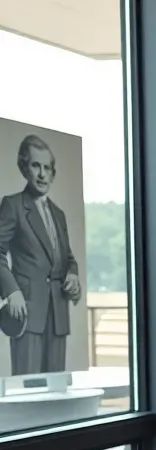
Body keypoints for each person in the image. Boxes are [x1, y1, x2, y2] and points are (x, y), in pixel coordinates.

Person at [0, 133, 82, 374]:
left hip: (58, 316)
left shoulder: (59, 214)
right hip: (27, 313)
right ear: (25, 168)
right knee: (28, 392)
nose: (42, 174)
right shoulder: (12, 205)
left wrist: (73, 275)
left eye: (47, 168)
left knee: (56, 393)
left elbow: (68, 259)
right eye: (36, 166)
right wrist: (11, 290)